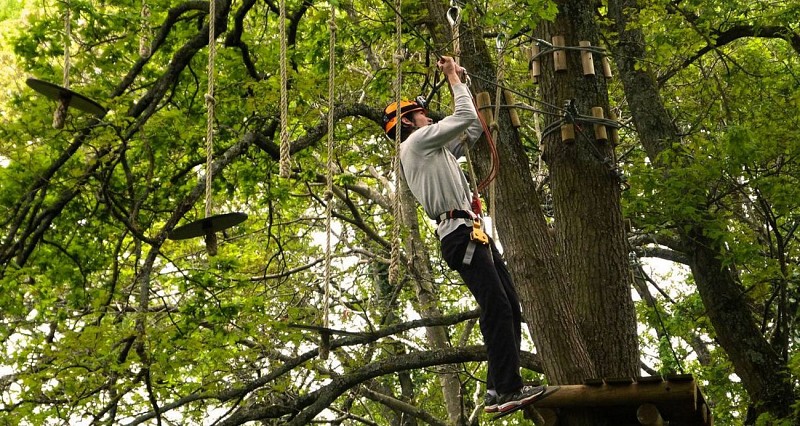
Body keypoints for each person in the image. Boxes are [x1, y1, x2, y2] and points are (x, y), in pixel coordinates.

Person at [382, 56, 544, 413]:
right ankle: (507, 388)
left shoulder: (432, 148)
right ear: (408, 122)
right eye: (423, 114)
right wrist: (453, 79)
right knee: (497, 306)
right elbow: (465, 118)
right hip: (459, 234)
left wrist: (464, 85)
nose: (429, 117)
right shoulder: (416, 143)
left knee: (508, 305)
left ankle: (496, 387)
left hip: (470, 230)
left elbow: (472, 132)